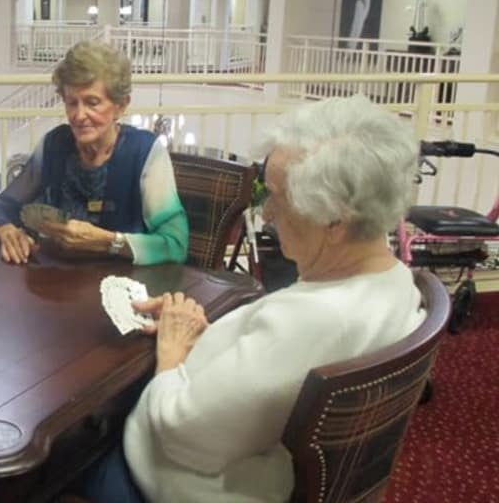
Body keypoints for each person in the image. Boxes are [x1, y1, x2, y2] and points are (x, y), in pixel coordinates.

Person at [74, 95, 426, 503]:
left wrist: (173, 353)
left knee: (57, 454)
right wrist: (199, 334)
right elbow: (275, 369)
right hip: (258, 456)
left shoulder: (310, 321)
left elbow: (181, 436)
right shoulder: (396, 282)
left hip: (171, 480)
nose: (268, 214)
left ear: (334, 219)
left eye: (275, 196)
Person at [0, 40, 188, 265]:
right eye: (71, 102)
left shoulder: (144, 152)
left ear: (121, 105)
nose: (78, 115)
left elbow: (176, 245)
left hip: (124, 287)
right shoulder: (54, 144)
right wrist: (6, 229)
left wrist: (110, 242)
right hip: (57, 285)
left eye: (92, 103)